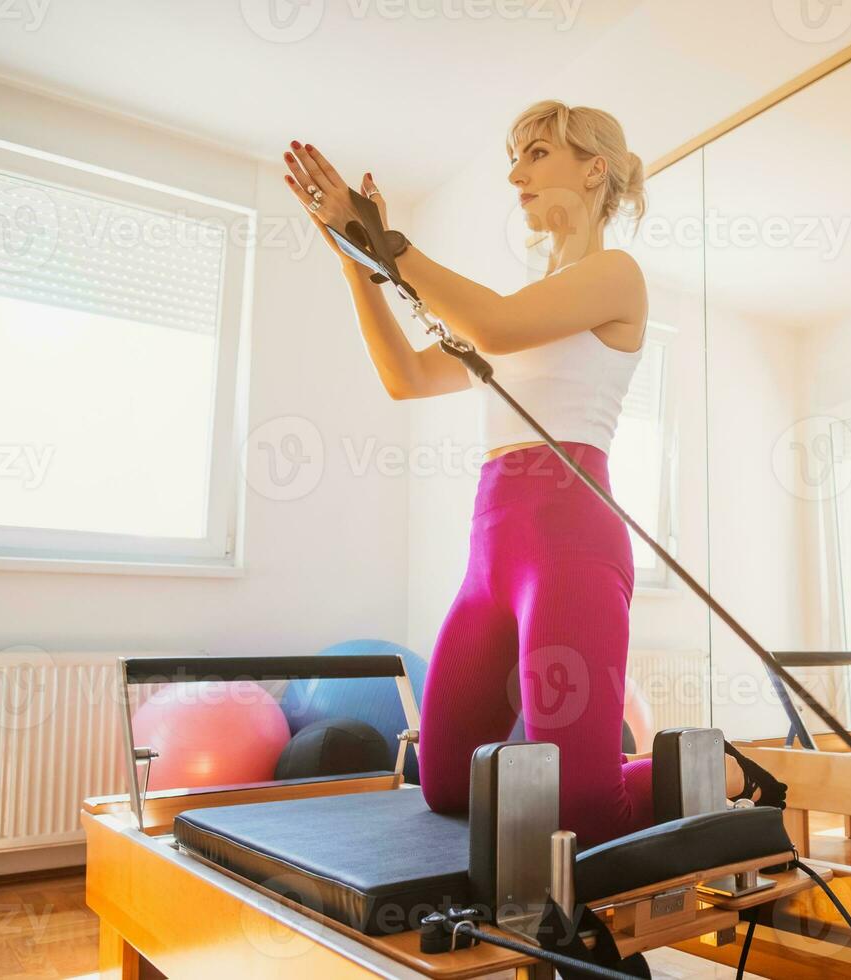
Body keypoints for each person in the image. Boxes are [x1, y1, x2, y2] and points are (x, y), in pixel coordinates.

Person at [281, 100, 783, 845]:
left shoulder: (616, 277)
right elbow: (405, 378)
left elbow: (494, 325)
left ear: (593, 169)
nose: (515, 175)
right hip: (491, 551)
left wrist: (385, 241)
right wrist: (355, 259)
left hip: (571, 545)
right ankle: (628, 771)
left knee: (584, 813)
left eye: (536, 154)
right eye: (514, 159)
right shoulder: (512, 307)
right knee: (446, 783)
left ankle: (727, 770)